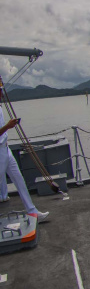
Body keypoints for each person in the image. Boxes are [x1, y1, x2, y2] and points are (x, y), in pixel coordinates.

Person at [0, 80, 49, 222]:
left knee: (19, 179)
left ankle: (32, 211)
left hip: (5, 149)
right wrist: (8, 127)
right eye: (1, 91)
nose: (3, 94)